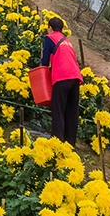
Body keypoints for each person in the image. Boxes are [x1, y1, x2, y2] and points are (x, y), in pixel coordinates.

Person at [41, 17, 83, 147]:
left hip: (62, 77)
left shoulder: (50, 38)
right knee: (71, 111)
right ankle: (70, 144)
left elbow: (44, 60)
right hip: (75, 77)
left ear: (50, 27)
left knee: (58, 110)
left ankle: (57, 144)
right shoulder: (67, 40)